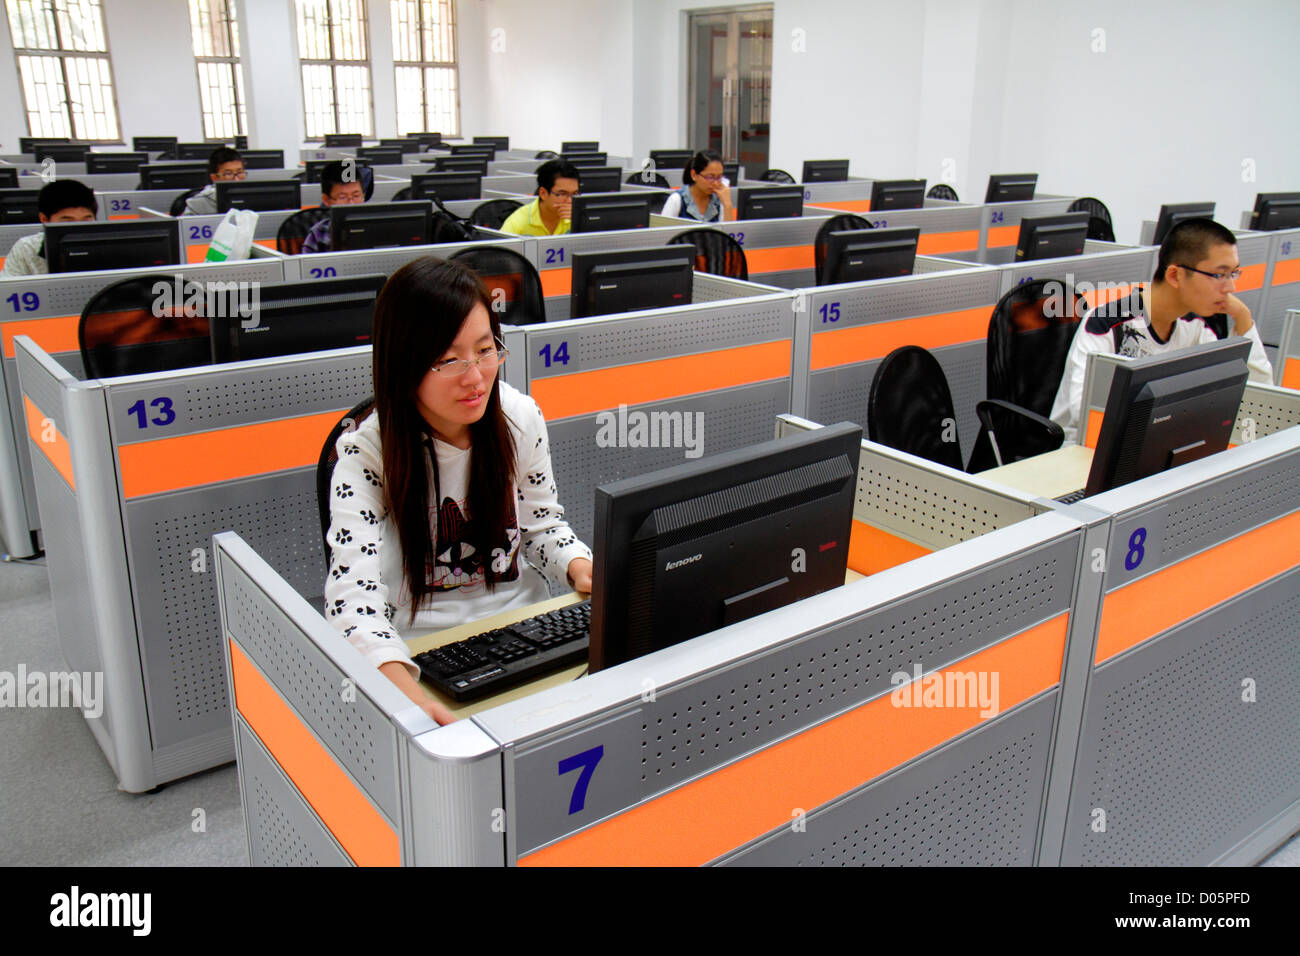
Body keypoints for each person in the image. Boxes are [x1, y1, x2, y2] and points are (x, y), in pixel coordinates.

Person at [324, 257, 594, 724]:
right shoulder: (366, 452)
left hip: (528, 631)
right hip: (421, 656)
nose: (475, 377)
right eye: (450, 360)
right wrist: (407, 696)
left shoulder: (518, 417)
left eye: (486, 350)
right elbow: (352, 598)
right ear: (405, 364)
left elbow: (542, 528)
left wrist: (581, 568)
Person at [1049, 218, 1273, 444]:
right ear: (1175, 275)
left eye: (1233, 273)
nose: (1230, 287)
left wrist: (1243, 318)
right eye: (1219, 275)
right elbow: (1087, 413)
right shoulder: (1109, 323)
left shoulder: (1196, 327)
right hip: (1087, 450)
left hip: (1159, 446)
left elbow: (1256, 397)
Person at [0, 179, 96, 277]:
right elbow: (7, 289)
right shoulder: (26, 248)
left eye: (86, 220)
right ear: (44, 219)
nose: (78, 228)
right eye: (68, 221)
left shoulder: (108, 245)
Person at [498, 159, 580, 236]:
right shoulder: (518, 221)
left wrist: (578, 222)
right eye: (562, 194)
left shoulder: (578, 217)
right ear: (543, 193)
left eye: (575, 194)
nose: (570, 201)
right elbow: (498, 249)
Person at [300, 160, 366, 254]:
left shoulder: (378, 226)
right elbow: (307, 266)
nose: (351, 203)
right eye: (343, 197)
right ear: (326, 200)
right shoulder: (319, 233)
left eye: (356, 196)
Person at [659, 150, 736, 222]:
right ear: (694, 175)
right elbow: (662, 234)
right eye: (710, 177)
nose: (716, 183)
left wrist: (727, 204)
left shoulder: (719, 202)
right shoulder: (677, 200)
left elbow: (729, 234)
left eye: (719, 177)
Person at [182, 146, 245, 215]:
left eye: (240, 172)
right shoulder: (197, 204)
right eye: (228, 174)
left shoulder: (254, 198)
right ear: (214, 178)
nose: (236, 179)